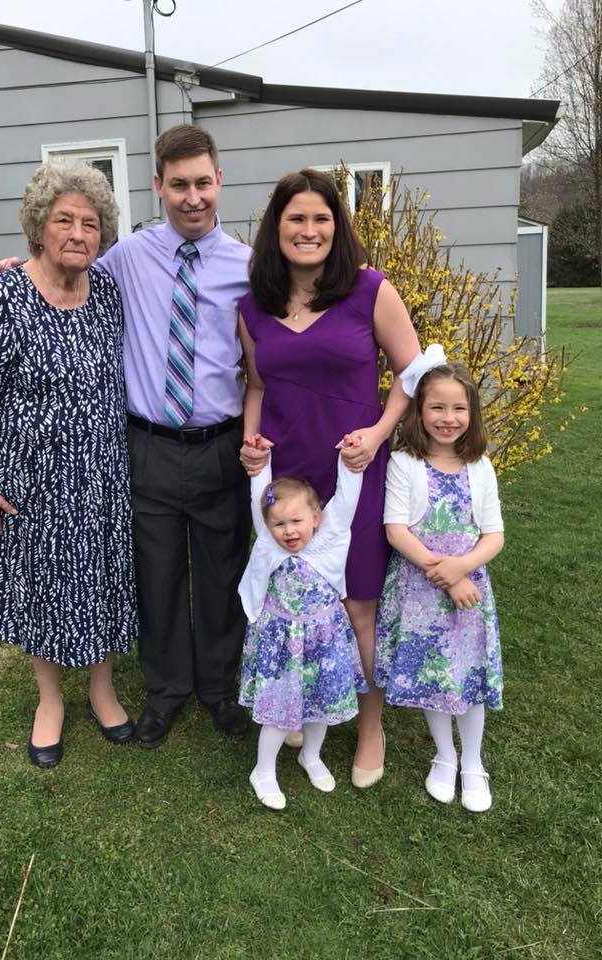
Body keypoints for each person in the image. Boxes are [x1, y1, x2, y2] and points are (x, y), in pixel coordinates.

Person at [0, 126, 251, 748]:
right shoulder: (125, 257)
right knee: (156, 573)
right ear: (158, 186)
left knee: (221, 571)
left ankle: (218, 687)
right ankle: (167, 689)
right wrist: (6, 267)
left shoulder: (248, 266)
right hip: (147, 444)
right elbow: (57, 266)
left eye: (202, 183)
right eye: (177, 184)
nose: (191, 197)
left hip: (220, 444)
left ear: (218, 182)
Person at [0, 159, 138, 768]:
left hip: (102, 476)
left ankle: (102, 689)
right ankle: (49, 699)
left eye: (89, 223)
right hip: (30, 484)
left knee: (101, 580)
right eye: (63, 220)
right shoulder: (2, 295)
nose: (78, 233)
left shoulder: (106, 293)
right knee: (41, 586)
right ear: (38, 226)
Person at [238, 169, 420, 788]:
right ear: (277, 227)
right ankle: (299, 703)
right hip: (287, 478)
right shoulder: (253, 306)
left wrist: (379, 431)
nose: (309, 230)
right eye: (296, 218)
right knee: (290, 602)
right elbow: (257, 386)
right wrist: (250, 445)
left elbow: (412, 373)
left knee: (356, 603)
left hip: (354, 469)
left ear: (337, 227)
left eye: (321, 218)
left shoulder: (371, 290)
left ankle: (370, 725)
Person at [373, 350, 504, 812]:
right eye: (437, 407)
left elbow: (494, 535)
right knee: (433, 674)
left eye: (459, 408)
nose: (448, 418)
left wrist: (462, 568)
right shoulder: (404, 462)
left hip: (468, 592)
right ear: (419, 411)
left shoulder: (480, 466)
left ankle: (473, 762)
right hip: (420, 591)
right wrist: (445, 575)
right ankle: (444, 756)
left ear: (472, 413)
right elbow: (396, 530)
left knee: (468, 675)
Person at [238, 437, 367, 810]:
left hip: (325, 638)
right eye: (279, 523)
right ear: (267, 525)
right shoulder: (269, 542)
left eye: (296, 521)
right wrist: (262, 462)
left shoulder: (331, 537)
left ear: (316, 518)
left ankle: (311, 755)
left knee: (321, 701)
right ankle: (263, 770)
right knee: (278, 709)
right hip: (281, 641)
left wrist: (350, 462)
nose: (289, 531)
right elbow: (260, 497)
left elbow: (347, 499)